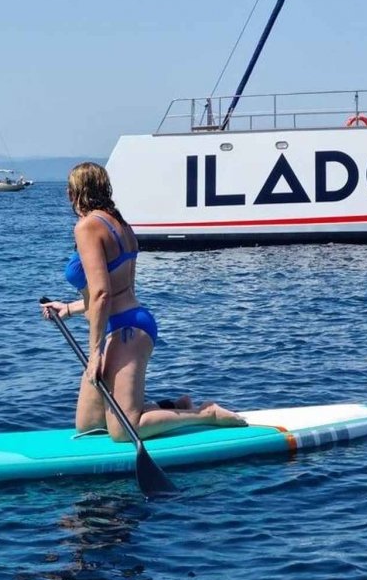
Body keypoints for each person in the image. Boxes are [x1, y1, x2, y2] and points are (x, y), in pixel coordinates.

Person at [40, 162, 244, 441]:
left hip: (126, 329)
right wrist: (69, 308)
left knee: (125, 429)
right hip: (127, 321)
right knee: (88, 424)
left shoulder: (87, 227)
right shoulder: (121, 225)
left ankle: (206, 413)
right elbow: (112, 289)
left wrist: (95, 352)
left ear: (74, 192)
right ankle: (176, 406)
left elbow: (102, 294)